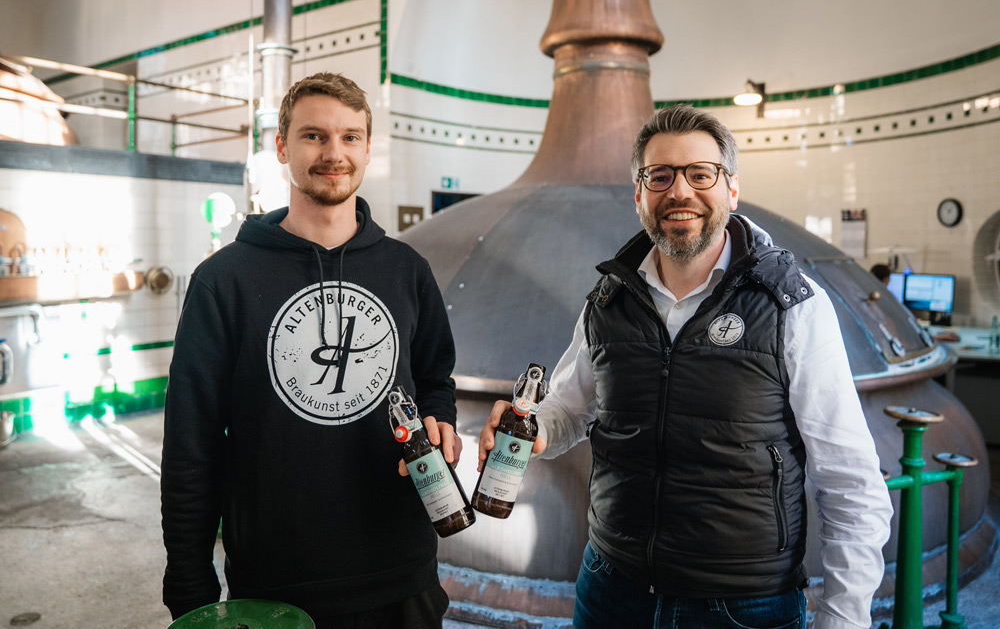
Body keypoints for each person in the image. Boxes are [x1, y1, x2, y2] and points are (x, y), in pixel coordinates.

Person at [478, 104, 893, 629]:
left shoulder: (791, 304)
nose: (679, 192)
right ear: (639, 195)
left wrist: (844, 617)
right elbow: (571, 406)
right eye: (660, 176)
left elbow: (850, 479)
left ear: (731, 189)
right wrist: (534, 428)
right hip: (612, 589)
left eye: (701, 174)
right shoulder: (609, 300)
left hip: (742, 605)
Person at [161, 72, 459, 629]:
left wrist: (440, 422)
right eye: (314, 136)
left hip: (403, 576)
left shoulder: (407, 271)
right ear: (282, 147)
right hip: (276, 586)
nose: (333, 153)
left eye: (350, 137)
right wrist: (189, 581)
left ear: (367, 148)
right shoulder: (224, 281)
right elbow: (189, 445)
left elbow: (435, 379)